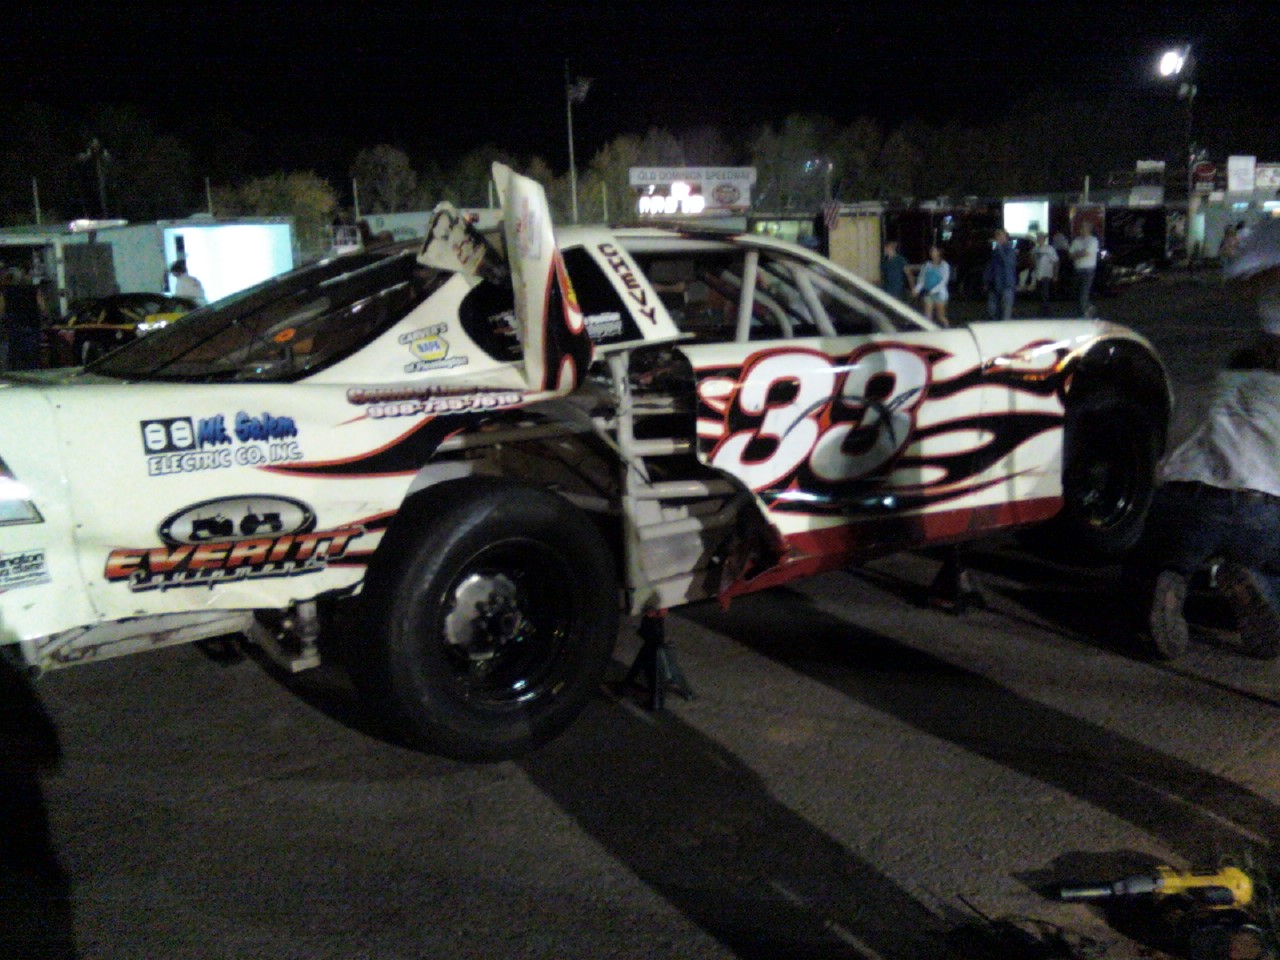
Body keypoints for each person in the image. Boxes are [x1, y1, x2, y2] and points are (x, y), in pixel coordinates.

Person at [1133, 217, 1280, 660]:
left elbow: (1166, 450)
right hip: (1257, 510)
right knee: (1268, 557)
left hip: (1183, 499)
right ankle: (1260, 586)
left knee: (1157, 557)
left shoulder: (1215, 386)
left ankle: (1171, 578)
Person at [983, 228, 1017, 321]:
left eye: (1000, 235)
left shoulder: (1010, 249)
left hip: (1006, 283)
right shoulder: (995, 250)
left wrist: (999, 248)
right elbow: (990, 266)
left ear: (1005, 237)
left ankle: (1004, 327)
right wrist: (986, 280)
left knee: (1006, 310)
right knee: (992, 310)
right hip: (994, 284)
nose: (998, 238)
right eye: (997, 235)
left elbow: (1007, 263)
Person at [912, 244, 951, 327]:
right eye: (931, 251)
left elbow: (944, 281)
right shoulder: (927, 265)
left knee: (940, 317)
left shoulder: (944, 265)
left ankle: (947, 330)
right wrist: (917, 289)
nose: (931, 252)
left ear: (939, 252)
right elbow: (922, 279)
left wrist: (933, 291)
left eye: (934, 251)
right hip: (928, 293)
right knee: (927, 317)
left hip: (940, 294)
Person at [1069, 221, 1099, 316]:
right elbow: (1070, 255)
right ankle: (1088, 308)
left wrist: (1077, 254)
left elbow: (1086, 253)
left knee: (1083, 293)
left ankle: (1084, 314)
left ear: (1088, 229)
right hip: (1078, 269)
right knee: (1077, 293)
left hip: (1088, 269)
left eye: (1083, 228)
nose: (1081, 230)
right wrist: (1080, 253)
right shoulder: (1076, 240)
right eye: (1081, 228)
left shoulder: (1093, 240)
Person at [1031, 232, 1059, 309]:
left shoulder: (1050, 249)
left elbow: (1056, 262)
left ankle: (1045, 307)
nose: (1039, 239)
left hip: (1047, 273)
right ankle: (1041, 307)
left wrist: (1055, 274)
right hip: (1037, 274)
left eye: (1041, 238)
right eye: (1038, 238)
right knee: (1039, 292)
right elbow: (1032, 260)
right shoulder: (1035, 249)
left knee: (1045, 292)